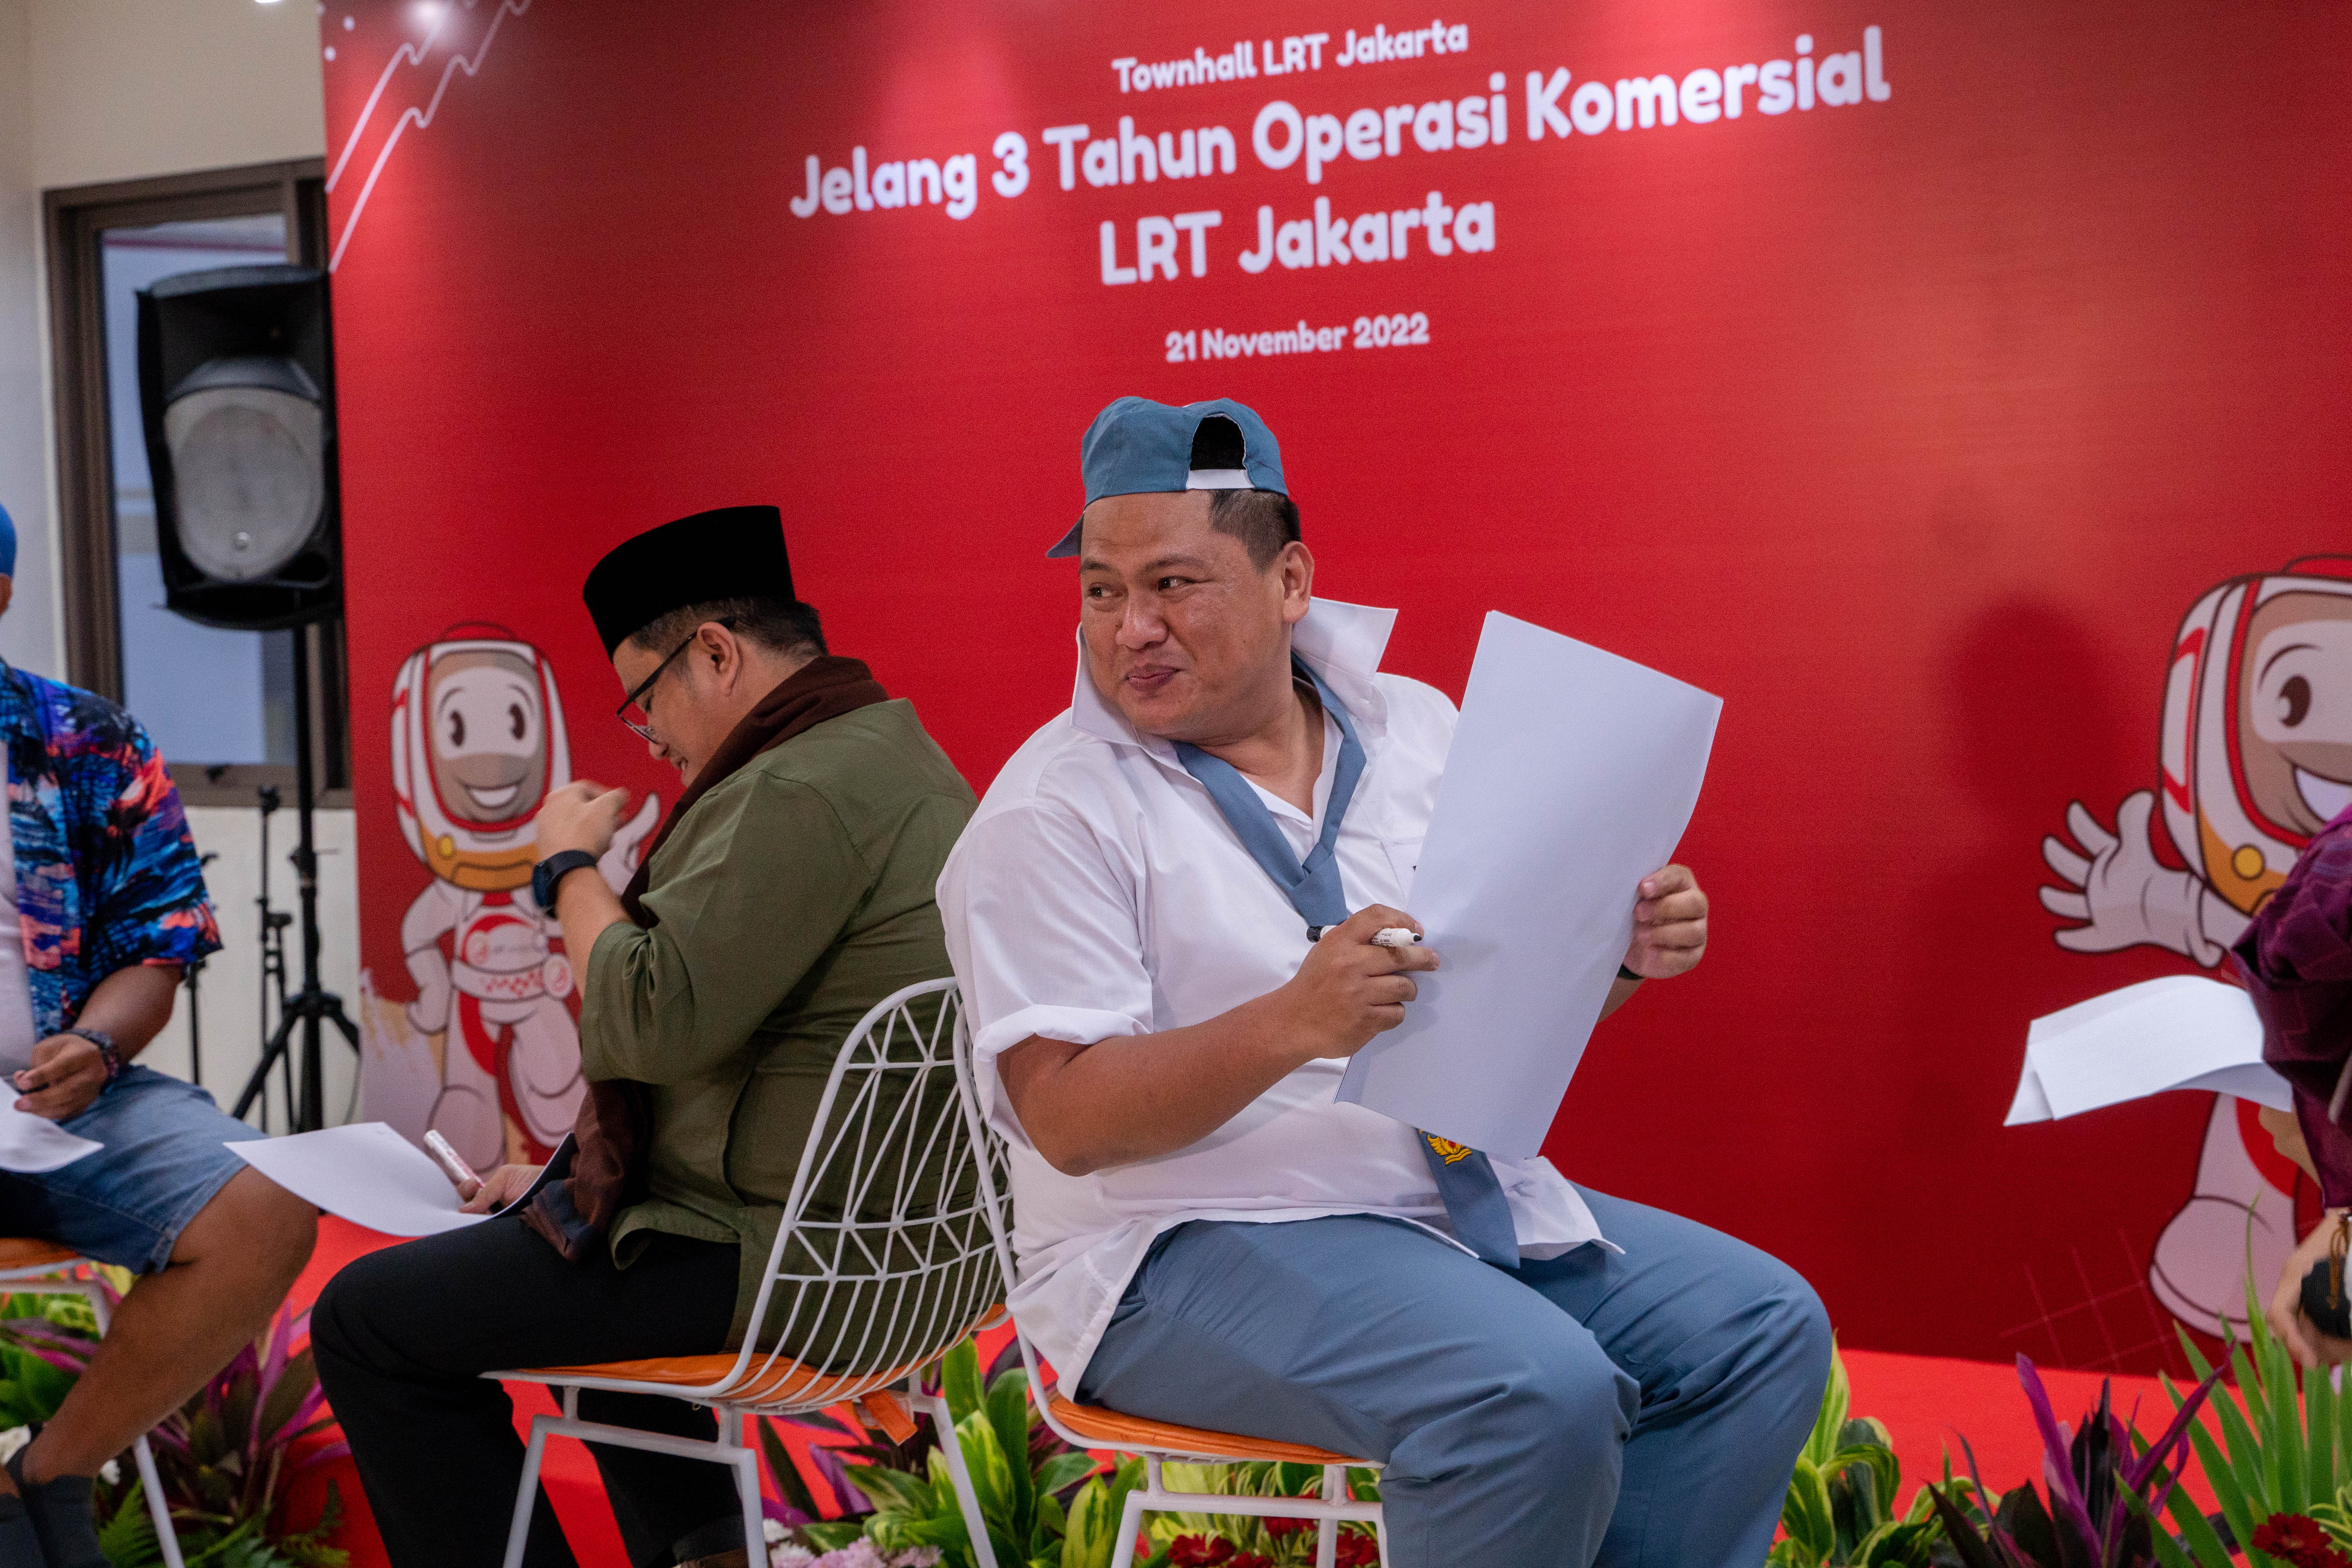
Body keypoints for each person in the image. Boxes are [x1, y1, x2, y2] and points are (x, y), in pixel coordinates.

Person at [937, 399, 1832, 1568]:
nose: (1132, 629)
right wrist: (1290, 1022)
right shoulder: (1053, 809)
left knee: (1757, 1329)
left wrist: (1613, 957)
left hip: (1433, 1202)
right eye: (1102, 591)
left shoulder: (1416, 728)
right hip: (1174, 1241)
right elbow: (1065, 1119)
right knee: (1527, 1392)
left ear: (1291, 580)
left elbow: (1494, 1011)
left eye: (1174, 584)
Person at [313, 506, 978, 1568]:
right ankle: (706, 1555)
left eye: (645, 699)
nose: (651, 736)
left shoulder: (795, 787)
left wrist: (568, 867)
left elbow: (646, 1021)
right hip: (898, 1251)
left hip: (793, 1261)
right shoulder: (889, 753)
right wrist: (560, 1180)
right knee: (566, 1244)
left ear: (715, 652)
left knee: (364, 1323)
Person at [0, 503, 318, 1568]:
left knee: (264, 1204)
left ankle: (49, 1473)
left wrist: (96, 1047)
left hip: (60, 1098)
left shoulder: (88, 742)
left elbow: (158, 945)